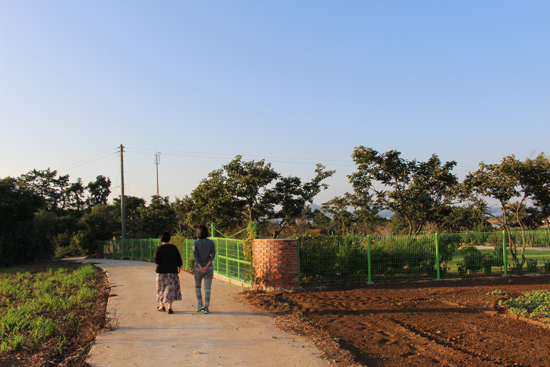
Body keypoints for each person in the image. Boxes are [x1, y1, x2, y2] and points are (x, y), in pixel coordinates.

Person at [153, 231, 183, 314]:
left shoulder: (159, 248)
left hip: (161, 272)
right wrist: (178, 266)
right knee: (171, 289)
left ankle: (161, 306)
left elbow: (156, 260)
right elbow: (179, 260)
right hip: (172, 271)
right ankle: (170, 307)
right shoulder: (173, 248)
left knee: (161, 288)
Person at [193, 225, 216, 314]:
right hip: (209, 268)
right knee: (207, 288)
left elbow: (196, 256)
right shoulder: (211, 243)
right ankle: (206, 307)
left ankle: (200, 304)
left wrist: (200, 266)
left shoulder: (195, 243)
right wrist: (206, 266)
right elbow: (213, 255)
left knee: (198, 287)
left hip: (198, 268)